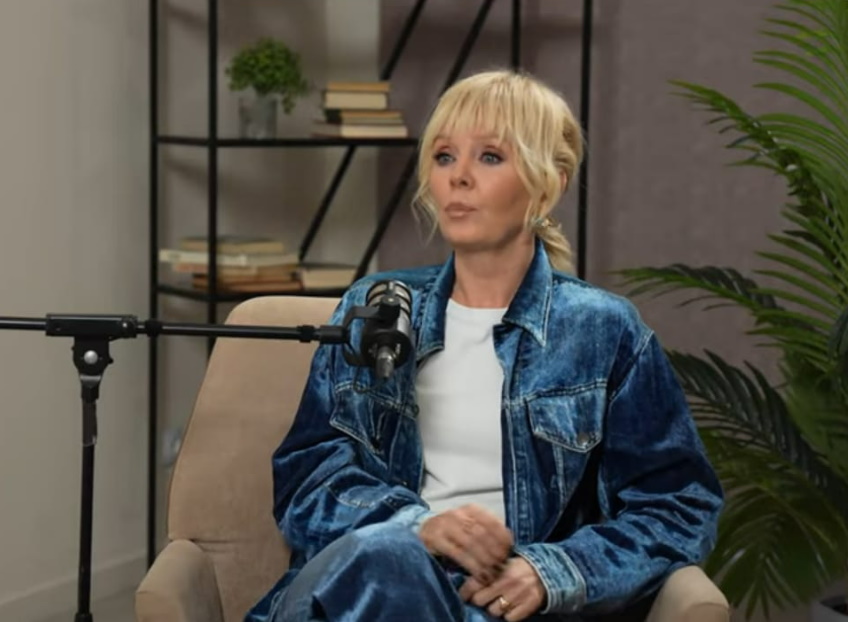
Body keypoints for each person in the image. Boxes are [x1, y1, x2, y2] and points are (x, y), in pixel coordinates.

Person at [246, 69, 723, 622]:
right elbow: (306, 478)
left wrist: (552, 571)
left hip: (491, 606)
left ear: (550, 184)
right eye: (444, 156)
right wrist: (417, 527)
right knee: (388, 556)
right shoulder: (379, 307)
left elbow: (679, 506)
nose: (459, 177)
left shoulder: (603, 332)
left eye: (490, 157)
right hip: (356, 589)